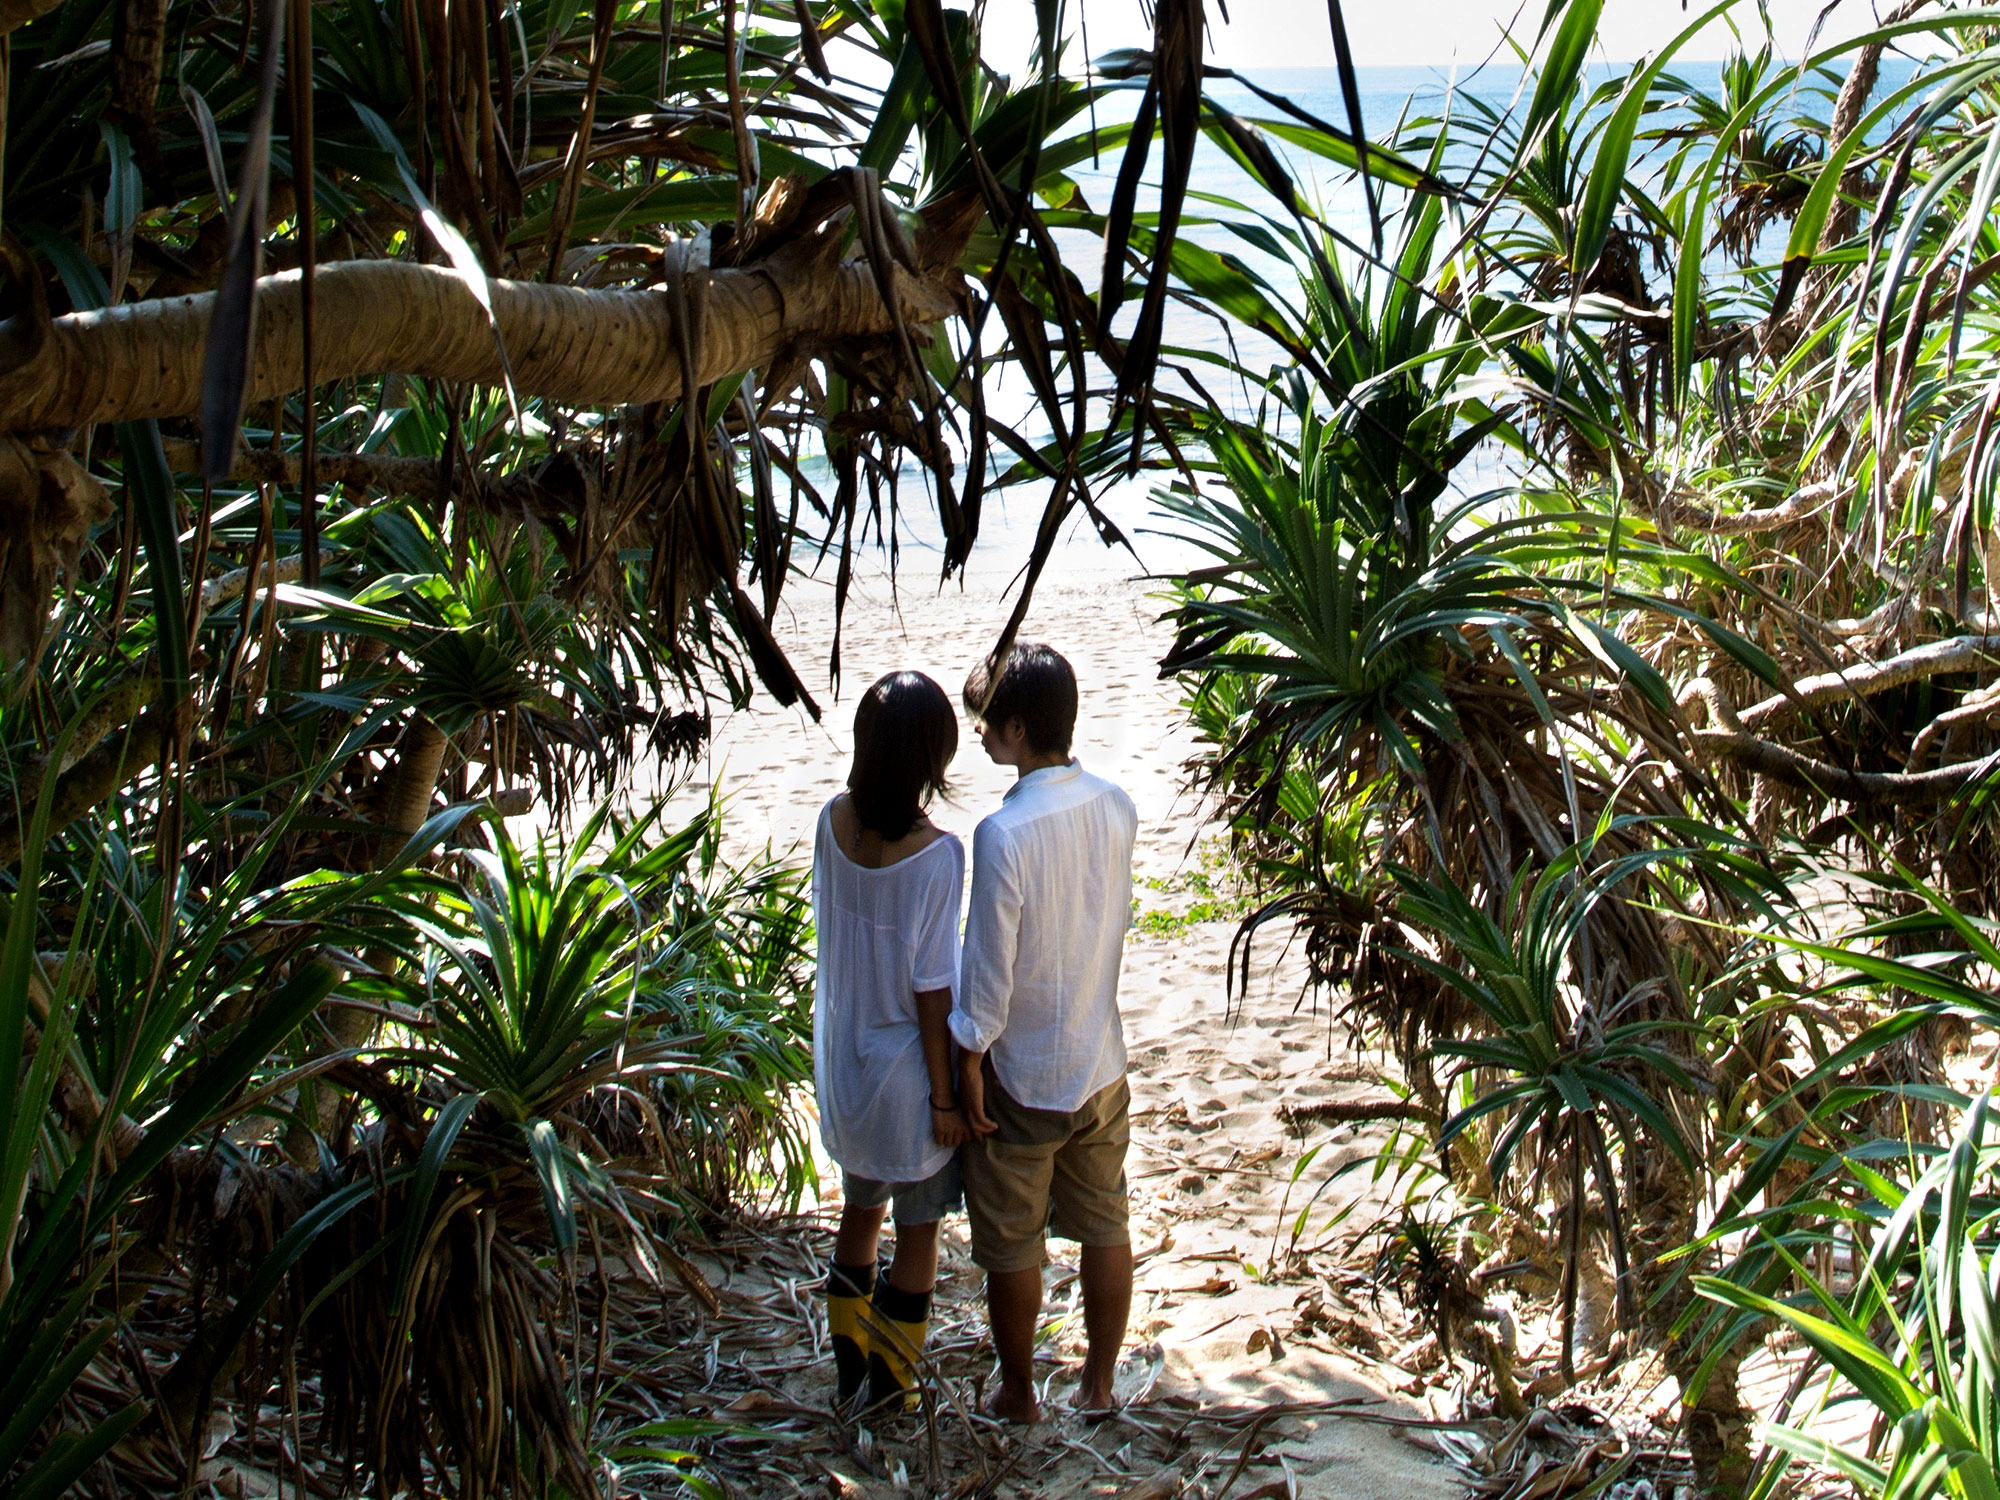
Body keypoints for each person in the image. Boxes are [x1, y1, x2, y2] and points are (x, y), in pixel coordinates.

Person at [951, 642, 1140, 1423]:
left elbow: (990, 972)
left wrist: (969, 1057)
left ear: (1019, 730)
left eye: (987, 722)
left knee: (1013, 1243)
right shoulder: (1116, 803)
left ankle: (1019, 1390)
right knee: (1105, 1223)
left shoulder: (1004, 833)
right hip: (1098, 1059)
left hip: (1023, 1071)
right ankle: (1099, 1382)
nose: (980, 734)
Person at [812, 671, 972, 1415]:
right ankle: (891, 1387)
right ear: (930, 760)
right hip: (906, 1077)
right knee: (918, 1231)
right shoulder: (937, 856)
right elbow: (933, 990)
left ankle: (849, 1373)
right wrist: (944, 1098)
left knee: (859, 1216)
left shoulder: (832, 822)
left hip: (844, 1062)